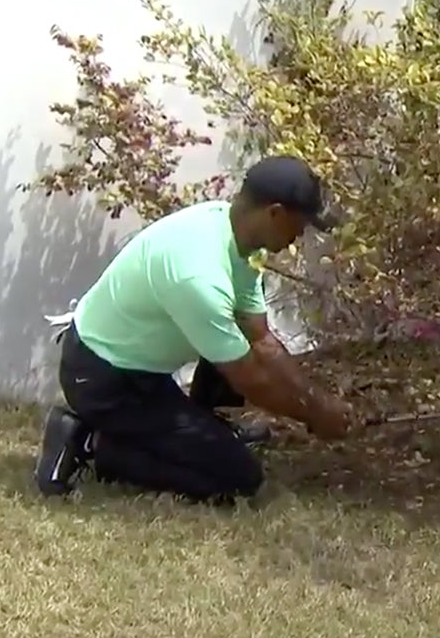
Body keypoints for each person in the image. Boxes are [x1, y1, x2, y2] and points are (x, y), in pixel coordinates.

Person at [34, 155, 354, 501]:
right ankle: (93, 442)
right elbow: (253, 380)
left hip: (142, 370)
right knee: (238, 479)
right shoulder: (198, 274)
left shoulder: (232, 235)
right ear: (274, 213)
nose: (300, 235)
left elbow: (262, 341)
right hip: (104, 379)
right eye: (301, 224)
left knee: (228, 349)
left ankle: (199, 432)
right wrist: (314, 416)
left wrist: (319, 402)